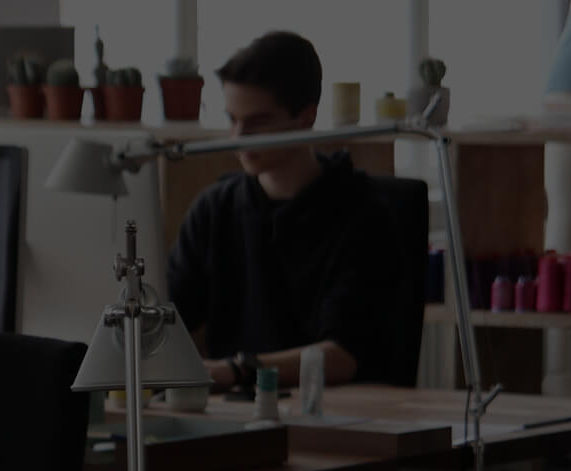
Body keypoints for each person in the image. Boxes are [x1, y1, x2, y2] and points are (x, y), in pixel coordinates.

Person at [168, 31, 406, 391]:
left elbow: (342, 355)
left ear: (306, 118)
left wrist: (238, 370)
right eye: (232, 119)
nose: (238, 137)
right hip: (230, 412)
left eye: (257, 122)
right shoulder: (214, 210)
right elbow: (165, 321)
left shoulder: (365, 216)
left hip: (334, 411)